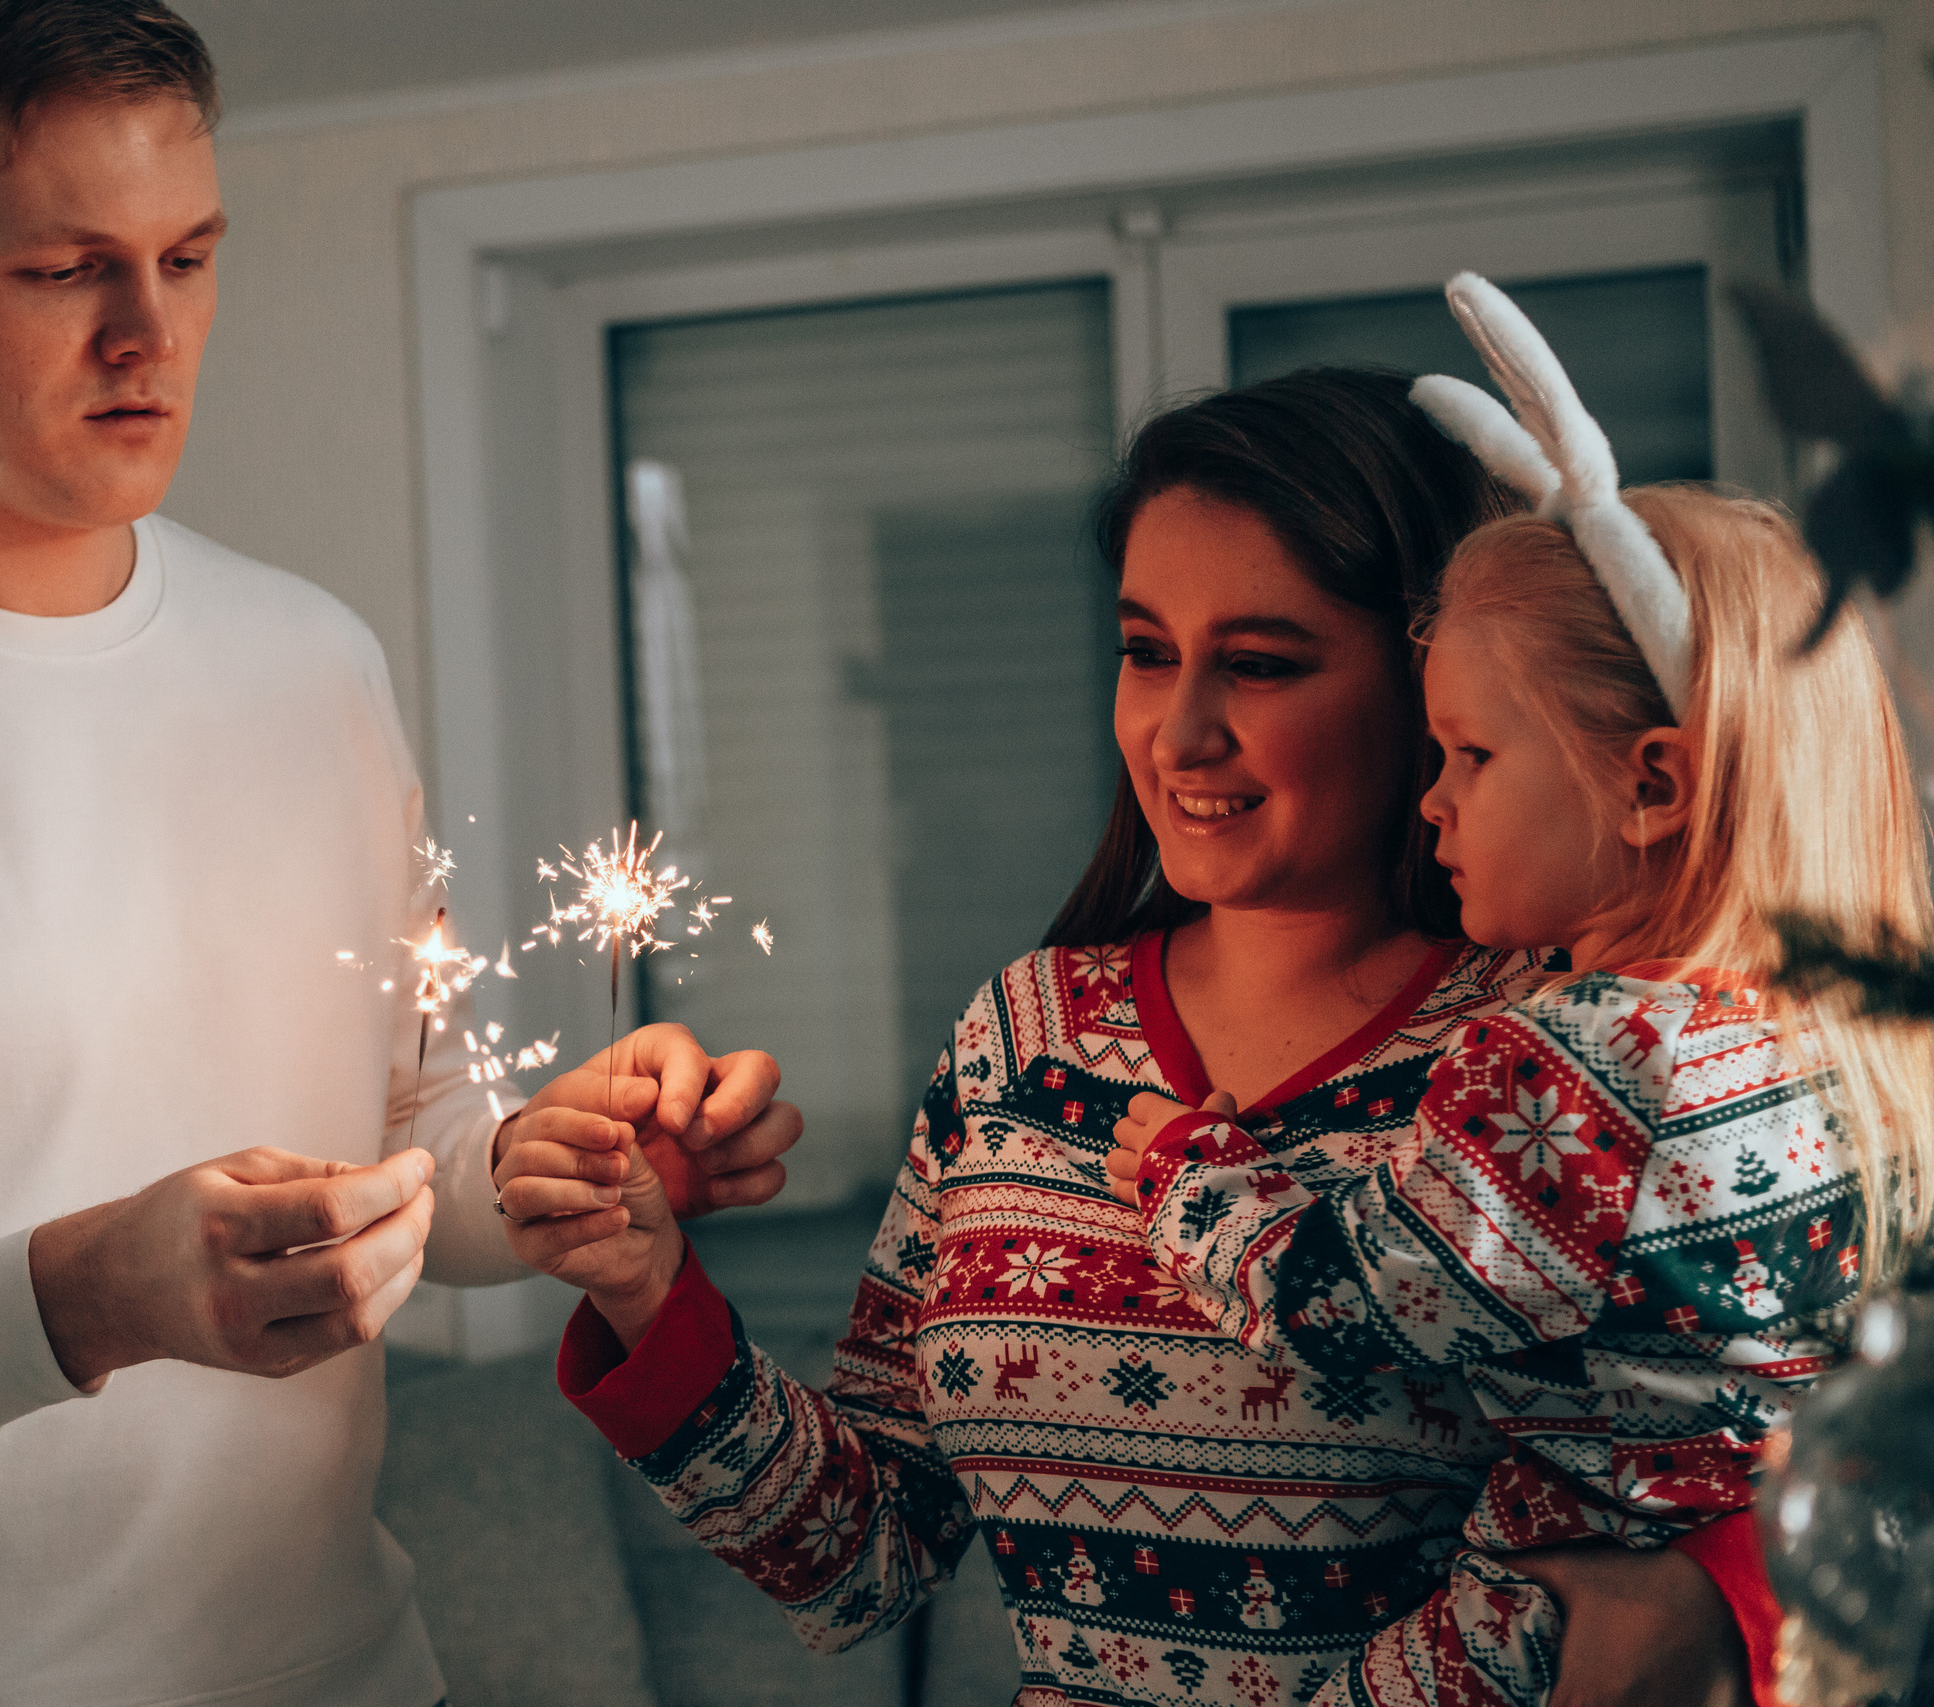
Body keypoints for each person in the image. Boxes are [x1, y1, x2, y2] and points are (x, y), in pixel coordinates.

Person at [0, 4, 799, 1704]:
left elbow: (408, 1134)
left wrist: (550, 1165)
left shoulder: (315, 663)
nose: (150, 334)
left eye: (188, 257)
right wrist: (83, 1298)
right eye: (63, 271)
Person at [496, 366, 1765, 1704]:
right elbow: (858, 1559)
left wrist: (1707, 1589)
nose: (1179, 731)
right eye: (1146, 650)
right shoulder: (1025, 1036)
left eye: (1262, 664)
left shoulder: (1562, 1063)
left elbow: (1827, 1464)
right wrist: (644, 1282)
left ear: (1428, 680)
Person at [1108, 276, 1934, 1707]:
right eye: (1143, 647)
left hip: (1556, 1619)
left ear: (1650, 784)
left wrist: (1184, 1167)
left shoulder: (1572, 1065)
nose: (1433, 802)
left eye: (1469, 756)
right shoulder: (1924, 1032)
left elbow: (1350, 1309)